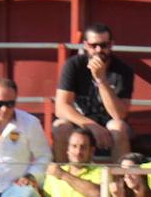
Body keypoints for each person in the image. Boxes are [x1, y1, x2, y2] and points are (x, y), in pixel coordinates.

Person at [53, 22, 134, 161]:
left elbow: (119, 114)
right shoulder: (74, 65)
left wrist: (101, 80)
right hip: (81, 124)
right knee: (60, 127)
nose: (98, 50)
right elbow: (61, 108)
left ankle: (119, 181)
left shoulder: (123, 70)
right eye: (93, 45)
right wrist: (92, 127)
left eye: (104, 45)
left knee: (119, 127)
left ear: (111, 45)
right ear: (85, 45)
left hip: (108, 126)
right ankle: (61, 179)